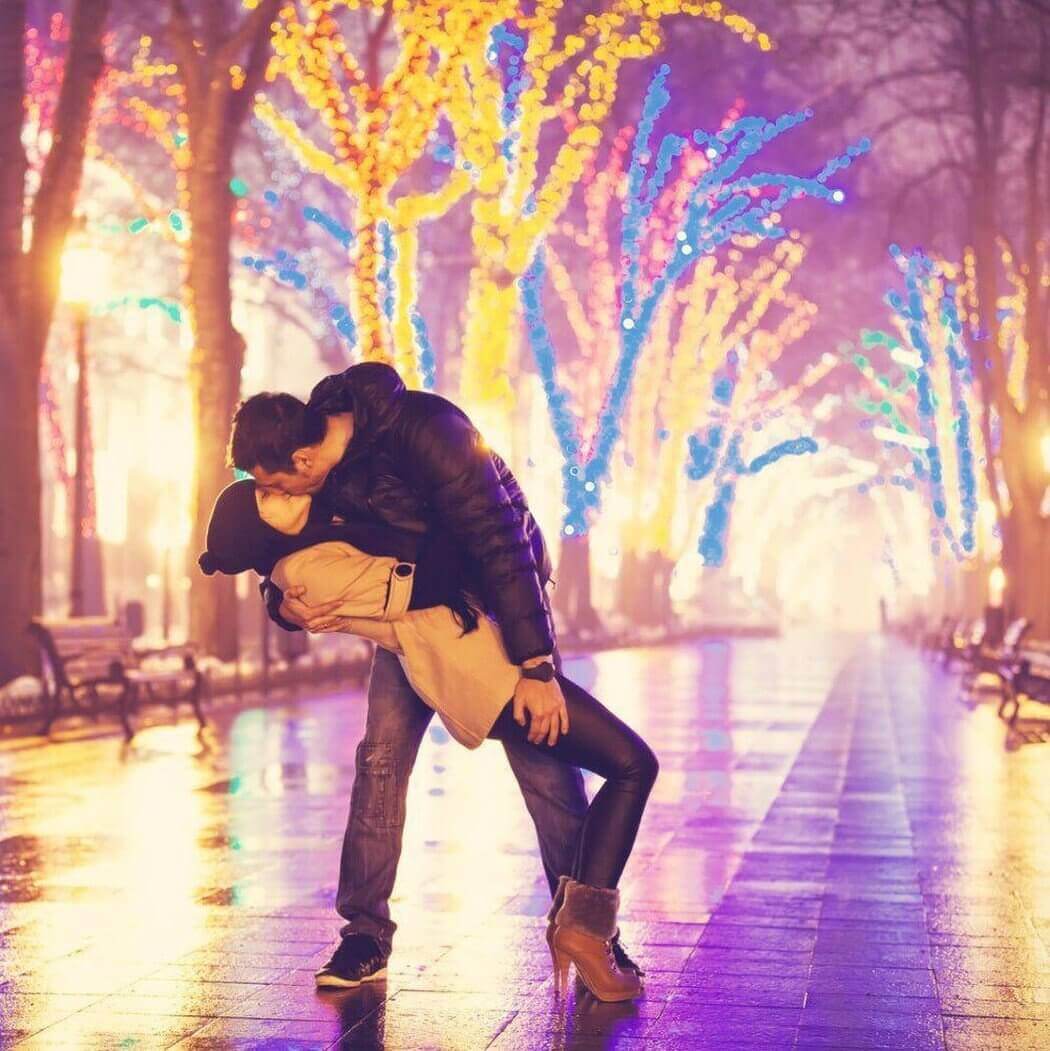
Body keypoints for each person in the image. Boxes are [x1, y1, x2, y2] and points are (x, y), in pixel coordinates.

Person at [225, 362, 644, 987]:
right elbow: (285, 557)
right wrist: (281, 605)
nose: (274, 498)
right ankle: (363, 936)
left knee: (548, 771)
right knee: (381, 767)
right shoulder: (322, 475)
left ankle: (584, 932)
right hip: (408, 626)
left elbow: (501, 538)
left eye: (273, 484)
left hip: (491, 613)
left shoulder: (425, 429)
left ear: (304, 460)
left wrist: (535, 664)